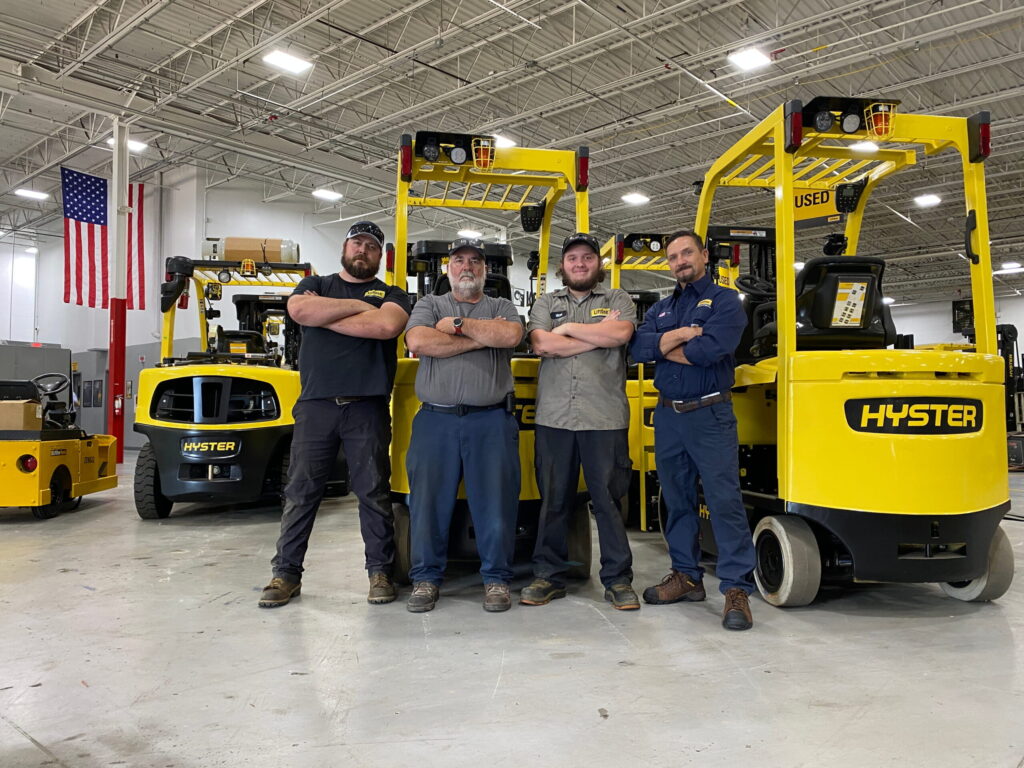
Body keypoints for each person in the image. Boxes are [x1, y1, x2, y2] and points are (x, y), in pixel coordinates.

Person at [259, 221, 411, 608]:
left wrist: (328, 318)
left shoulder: (393, 293)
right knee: (300, 492)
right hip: (316, 406)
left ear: (380, 255)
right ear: (345, 249)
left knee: (373, 493)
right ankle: (286, 574)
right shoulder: (316, 284)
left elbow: (388, 325)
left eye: (371, 246)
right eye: (357, 243)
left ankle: (380, 573)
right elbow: (299, 310)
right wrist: (362, 308)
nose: (363, 250)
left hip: (367, 407)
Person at [628, 229, 757, 631]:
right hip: (668, 417)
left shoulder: (725, 301)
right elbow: (637, 349)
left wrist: (664, 348)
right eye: (673, 257)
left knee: (723, 502)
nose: (680, 261)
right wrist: (683, 336)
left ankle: (736, 587)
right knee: (676, 500)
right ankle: (686, 576)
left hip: (710, 414)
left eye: (687, 253)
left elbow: (710, 351)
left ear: (704, 255)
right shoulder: (662, 307)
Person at [403, 237, 524, 613]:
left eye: (475, 261)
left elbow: (511, 335)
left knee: (496, 504)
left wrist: (456, 326)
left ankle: (497, 580)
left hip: (491, 420)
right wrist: (480, 337)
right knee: (427, 504)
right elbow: (420, 340)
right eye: (459, 261)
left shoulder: (502, 306)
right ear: (449, 268)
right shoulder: (428, 304)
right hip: (435, 421)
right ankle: (425, 578)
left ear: (486, 270)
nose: (467, 266)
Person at [521, 232, 640, 610]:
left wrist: (569, 330)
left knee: (608, 501)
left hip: (604, 418)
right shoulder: (545, 302)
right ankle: (548, 576)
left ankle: (618, 579)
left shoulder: (617, 299)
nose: (580, 264)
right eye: (573, 258)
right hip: (555, 418)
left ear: (598, 264)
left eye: (587, 257)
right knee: (554, 500)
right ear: (563, 266)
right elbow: (541, 344)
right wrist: (598, 338)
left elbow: (621, 333)